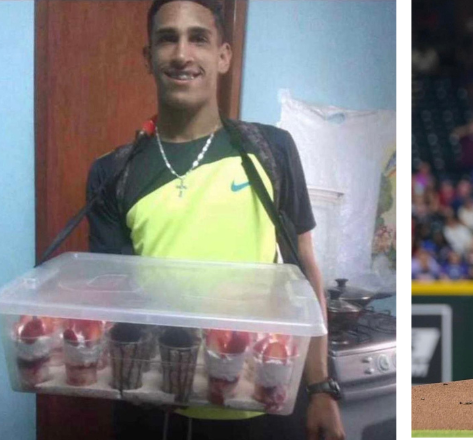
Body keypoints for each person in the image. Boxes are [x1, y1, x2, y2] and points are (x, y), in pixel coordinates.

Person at [85, 1, 345, 438]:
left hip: (264, 400)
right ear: (149, 57)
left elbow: (304, 269)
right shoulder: (112, 173)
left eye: (198, 38)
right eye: (168, 38)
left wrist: (321, 388)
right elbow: (118, 306)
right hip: (159, 406)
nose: (182, 53)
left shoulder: (272, 149)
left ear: (223, 56)